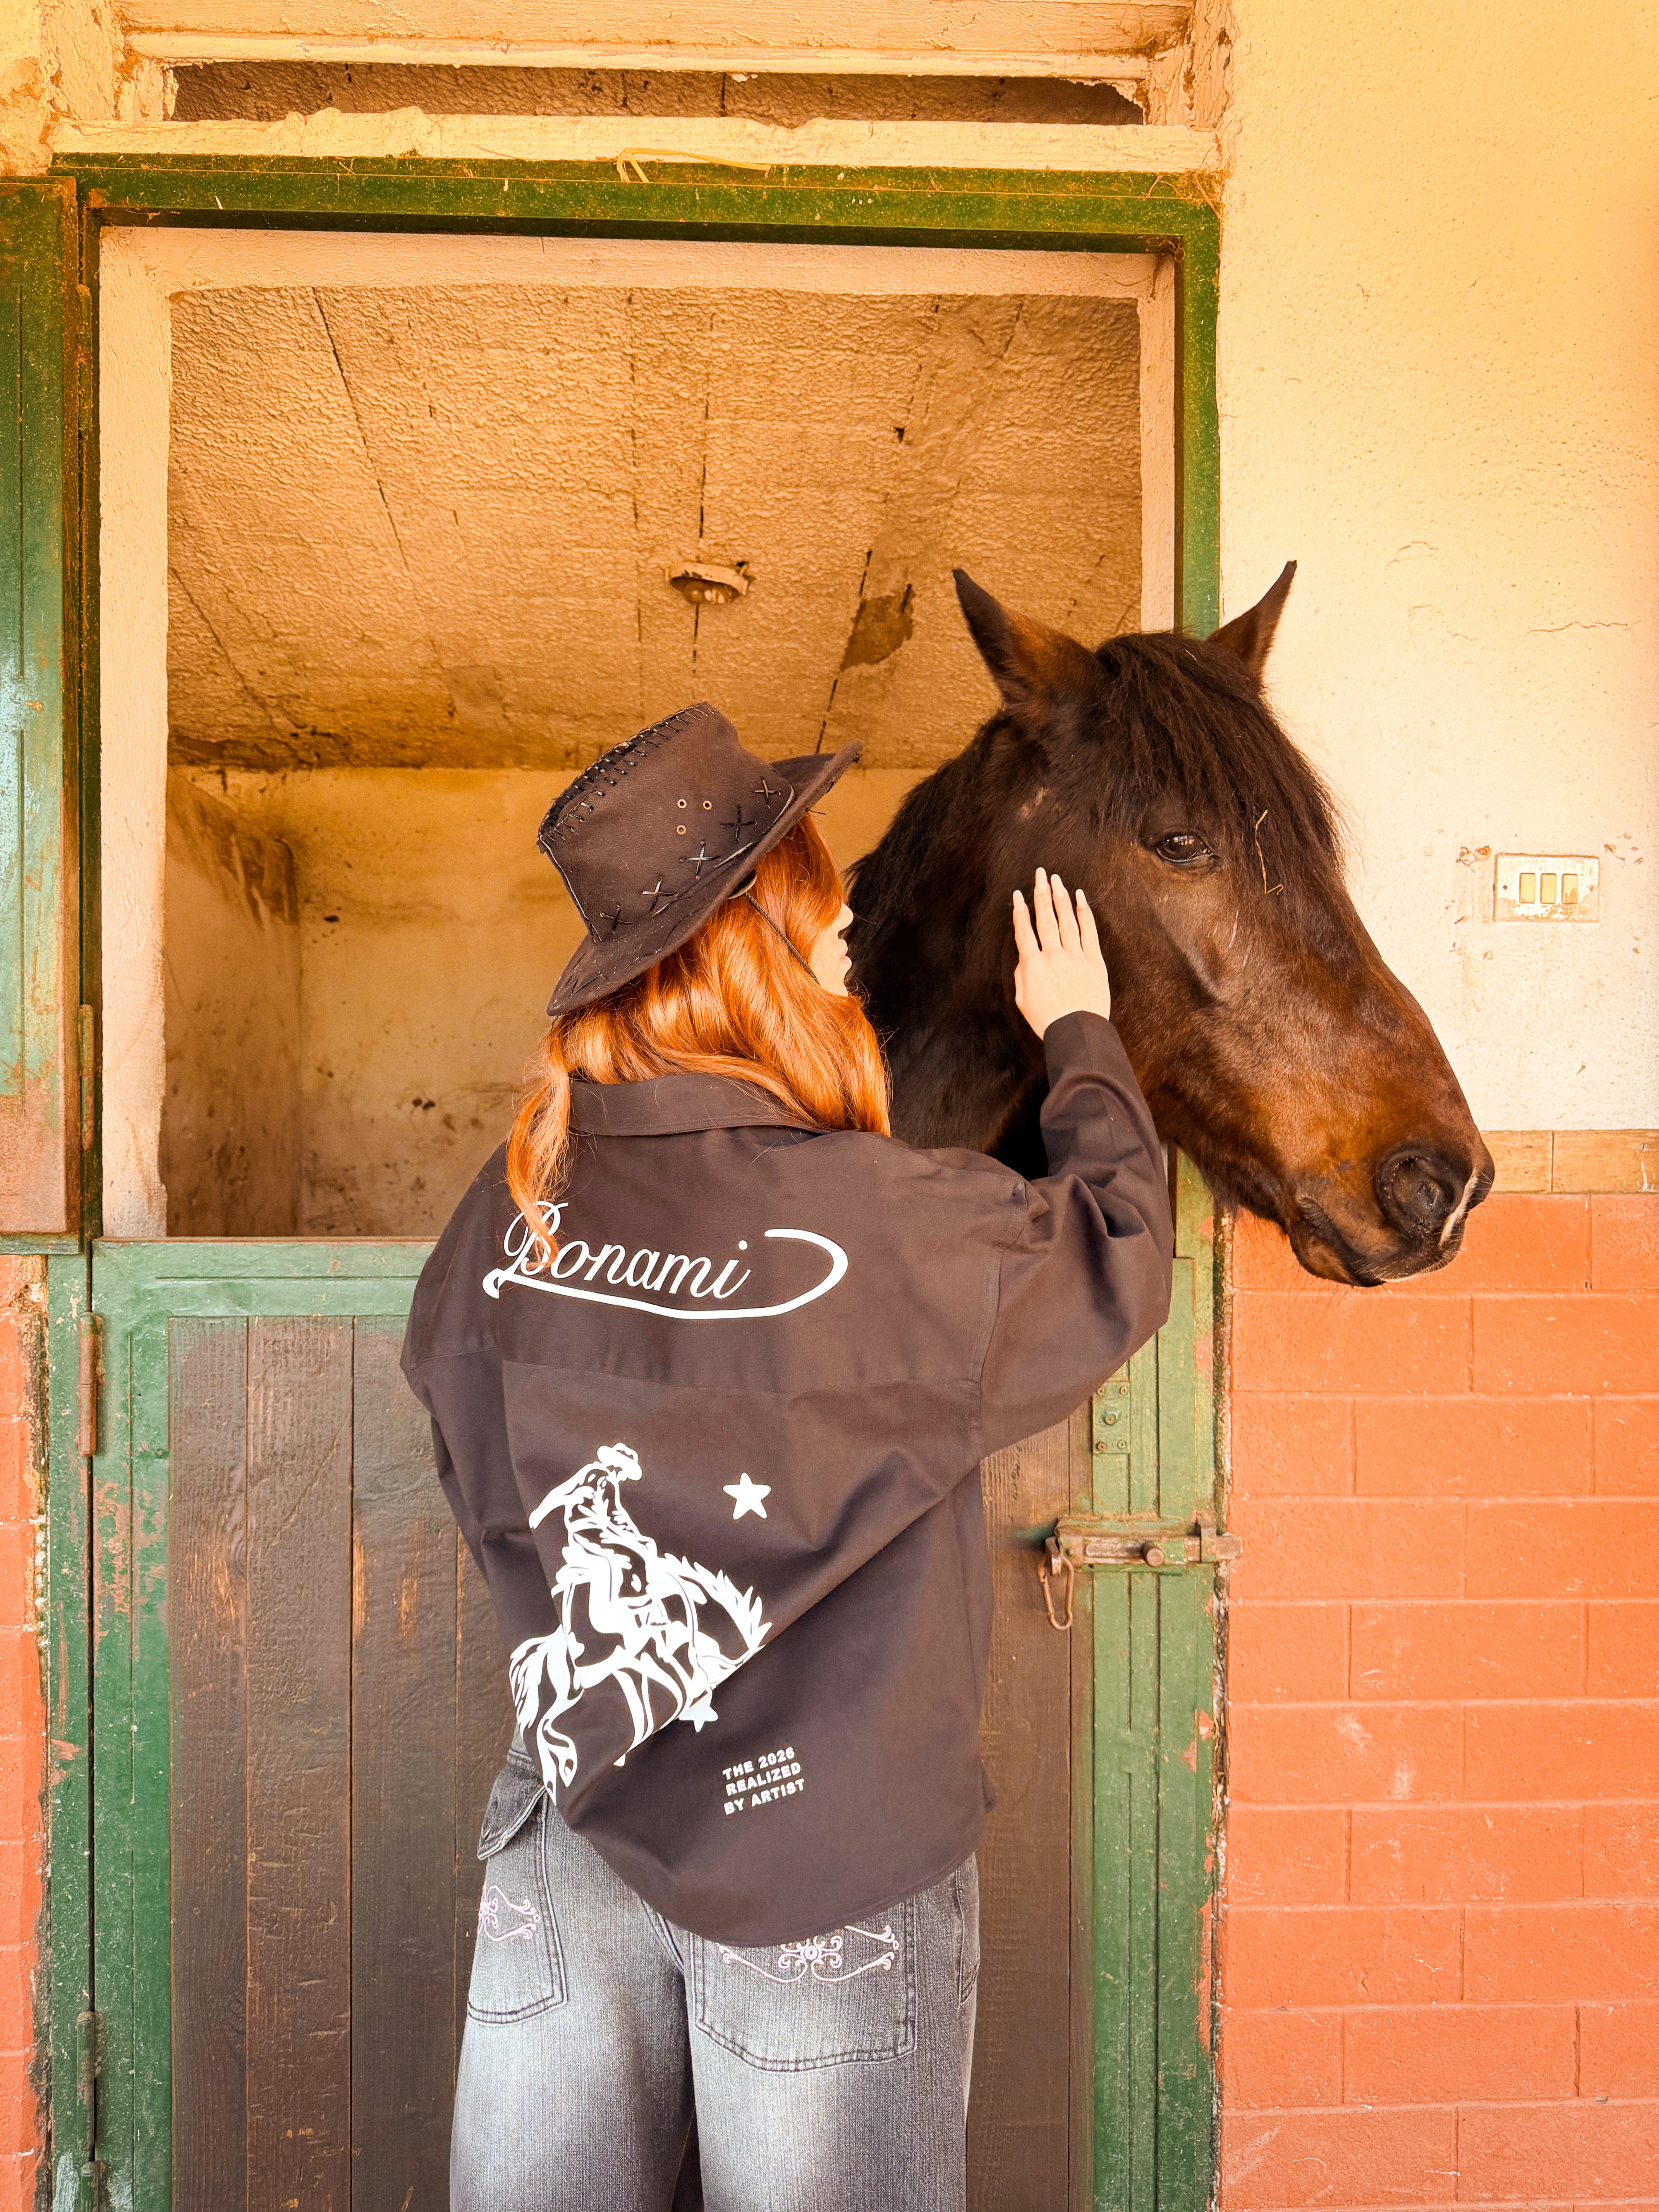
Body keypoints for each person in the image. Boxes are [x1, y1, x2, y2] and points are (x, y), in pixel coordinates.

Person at [401, 702, 1174, 2212]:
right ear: (745, 952)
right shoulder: (889, 1221)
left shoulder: (501, 1219)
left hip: (570, 1828)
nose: (844, 957)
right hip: (824, 1854)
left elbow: (464, 1455)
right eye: (820, 924)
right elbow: (1121, 1251)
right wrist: (1080, 1030)